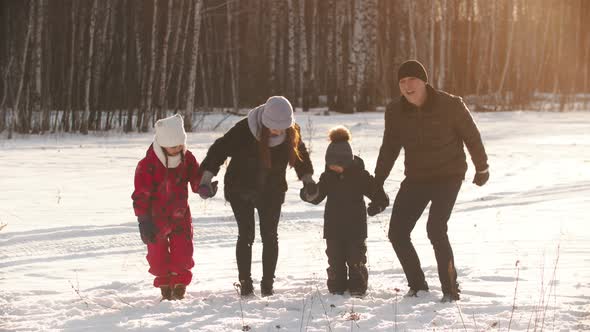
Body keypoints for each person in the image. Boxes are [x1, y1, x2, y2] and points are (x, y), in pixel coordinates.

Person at [375, 60, 489, 303]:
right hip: (417, 177)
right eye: (402, 82)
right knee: (397, 232)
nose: (407, 86)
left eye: (412, 80)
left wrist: (482, 167)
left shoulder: (450, 105)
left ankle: (450, 289)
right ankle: (418, 286)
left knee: (435, 228)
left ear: (424, 81)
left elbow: (472, 136)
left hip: (448, 175)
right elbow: (389, 148)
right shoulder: (395, 110)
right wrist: (378, 182)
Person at [198, 96, 316, 297]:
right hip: (240, 188)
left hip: (272, 190)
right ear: (265, 122)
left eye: (282, 128)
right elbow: (219, 149)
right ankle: (245, 283)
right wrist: (206, 178)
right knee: (246, 235)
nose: (278, 131)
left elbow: (300, 156)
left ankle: (267, 285)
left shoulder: (291, 131)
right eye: (274, 127)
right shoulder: (246, 129)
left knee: (270, 236)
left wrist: (308, 181)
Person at [300, 126, 389, 296]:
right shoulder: (327, 178)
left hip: (356, 228)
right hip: (333, 229)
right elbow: (315, 197)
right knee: (335, 260)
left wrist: (376, 206)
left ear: (346, 161)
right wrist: (307, 192)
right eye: (330, 165)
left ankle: (358, 287)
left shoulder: (360, 176)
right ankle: (337, 286)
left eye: (336, 165)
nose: (333, 168)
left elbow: (380, 195)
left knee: (355, 260)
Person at [131, 114, 202, 301]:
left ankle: (179, 284)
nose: (178, 148)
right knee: (157, 256)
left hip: (180, 216)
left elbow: (196, 179)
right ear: (162, 144)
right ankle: (164, 282)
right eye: (173, 145)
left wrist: (204, 187)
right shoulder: (147, 165)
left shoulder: (187, 159)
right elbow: (141, 194)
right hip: (155, 219)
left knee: (183, 253)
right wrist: (143, 219)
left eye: (180, 144)